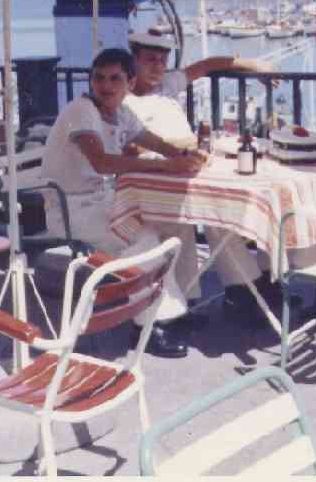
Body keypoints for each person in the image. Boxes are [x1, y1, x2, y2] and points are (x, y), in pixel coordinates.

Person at [41, 47, 206, 358]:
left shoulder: (120, 113)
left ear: (130, 83)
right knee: (143, 240)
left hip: (100, 201)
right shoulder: (81, 111)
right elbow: (102, 162)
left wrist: (184, 156)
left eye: (115, 79)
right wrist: (165, 166)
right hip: (69, 209)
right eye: (99, 78)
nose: (105, 85)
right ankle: (148, 326)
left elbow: (153, 141)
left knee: (167, 229)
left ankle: (173, 310)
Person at [125, 29, 292, 325]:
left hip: (189, 173)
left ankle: (244, 289)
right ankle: (247, 291)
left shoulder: (166, 84)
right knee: (215, 215)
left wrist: (254, 66)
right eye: (150, 59)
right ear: (133, 61)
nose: (158, 67)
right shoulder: (125, 101)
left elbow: (207, 65)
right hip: (154, 183)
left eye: (162, 60)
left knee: (222, 216)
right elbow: (129, 149)